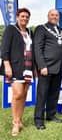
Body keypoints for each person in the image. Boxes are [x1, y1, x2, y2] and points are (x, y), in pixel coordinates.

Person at [1, 8, 33, 136]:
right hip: (15, 66)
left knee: (24, 94)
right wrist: (7, 65)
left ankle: (20, 120)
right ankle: (15, 123)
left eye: (27, 17)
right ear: (17, 17)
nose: (25, 19)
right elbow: (4, 48)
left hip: (28, 67)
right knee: (17, 94)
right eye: (22, 16)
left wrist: (34, 69)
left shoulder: (30, 31)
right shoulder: (11, 29)